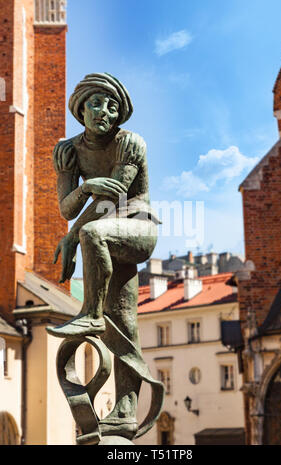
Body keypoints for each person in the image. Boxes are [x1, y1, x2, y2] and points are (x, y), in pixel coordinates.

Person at [47, 73, 164, 440]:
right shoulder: (68, 150)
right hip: (105, 241)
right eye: (97, 103)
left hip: (137, 229)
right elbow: (67, 208)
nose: (105, 112)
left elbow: (113, 201)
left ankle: (91, 316)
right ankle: (125, 411)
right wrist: (88, 187)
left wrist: (73, 238)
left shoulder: (130, 143)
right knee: (125, 321)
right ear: (81, 107)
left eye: (113, 107)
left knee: (92, 232)